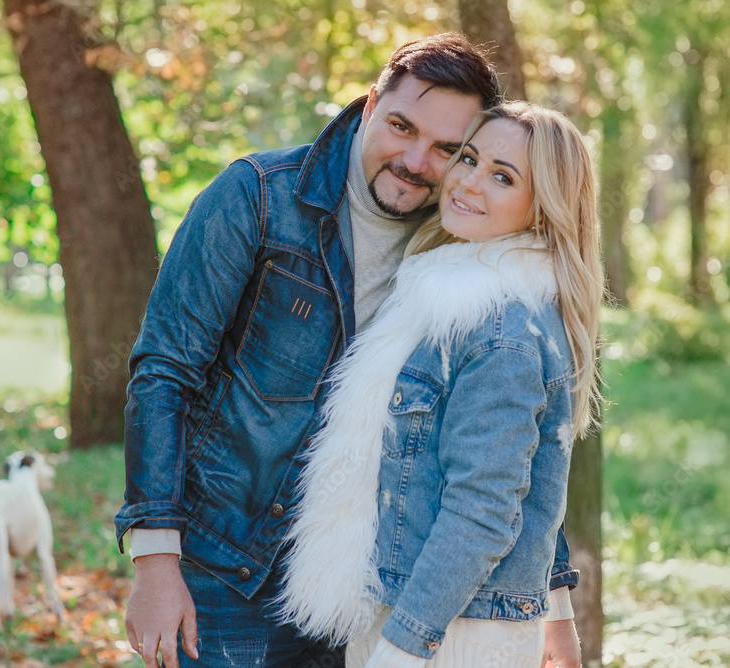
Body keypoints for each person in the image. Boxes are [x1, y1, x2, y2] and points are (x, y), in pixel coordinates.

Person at [116, 33, 581, 668]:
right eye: (401, 126)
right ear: (368, 106)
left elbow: (509, 445)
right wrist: (155, 563)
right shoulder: (257, 197)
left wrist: (551, 595)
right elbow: (164, 373)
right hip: (229, 572)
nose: (418, 161)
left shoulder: (459, 245)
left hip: (371, 586)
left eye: (449, 149)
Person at [277, 101, 603, 667]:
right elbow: (529, 484)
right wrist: (556, 610)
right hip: (430, 611)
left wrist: (405, 644)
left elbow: (484, 506)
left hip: (449, 630)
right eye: (469, 158)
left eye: (503, 177)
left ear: (542, 206)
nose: (468, 182)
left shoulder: (499, 329)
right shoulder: (455, 295)